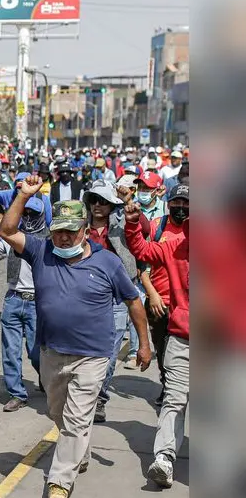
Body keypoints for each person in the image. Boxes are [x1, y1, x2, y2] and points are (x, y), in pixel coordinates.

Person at [0, 175, 149, 498]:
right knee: (59, 414)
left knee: (78, 419)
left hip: (93, 356)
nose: (63, 237)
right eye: (58, 231)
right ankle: (79, 450)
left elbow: (133, 303)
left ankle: (59, 482)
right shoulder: (41, 251)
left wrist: (144, 343)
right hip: (51, 352)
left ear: (84, 230)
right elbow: (6, 231)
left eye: (70, 230)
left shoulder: (107, 262)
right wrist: (22, 195)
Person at [123, 185, 189, 489]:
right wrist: (133, 222)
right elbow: (141, 250)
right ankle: (164, 459)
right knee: (173, 400)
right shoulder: (174, 245)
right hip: (181, 337)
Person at [83, 181, 150, 423]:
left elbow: (143, 227)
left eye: (103, 201)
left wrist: (129, 201)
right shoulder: (79, 228)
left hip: (117, 297)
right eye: (94, 200)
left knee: (110, 352)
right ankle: (84, 393)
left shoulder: (121, 223)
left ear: (112, 205)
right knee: (85, 350)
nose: (98, 205)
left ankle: (100, 397)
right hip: (85, 297)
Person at [0, 196, 47, 412]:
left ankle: (46, 379)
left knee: (37, 352)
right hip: (13, 298)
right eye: (23, 213)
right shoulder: (13, 238)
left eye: (32, 214)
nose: (27, 218)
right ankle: (17, 393)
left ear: (42, 215)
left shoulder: (49, 240)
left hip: (37, 302)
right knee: (10, 350)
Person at [141, 185, 188, 405]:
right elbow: (142, 267)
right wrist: (152, 295)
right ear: (168, 204)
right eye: (176, 203)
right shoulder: (156, 227)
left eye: (186, 203)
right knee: (163, 351)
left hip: (186, 306)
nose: (181, 208)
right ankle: (168, 386)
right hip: (159, 303)